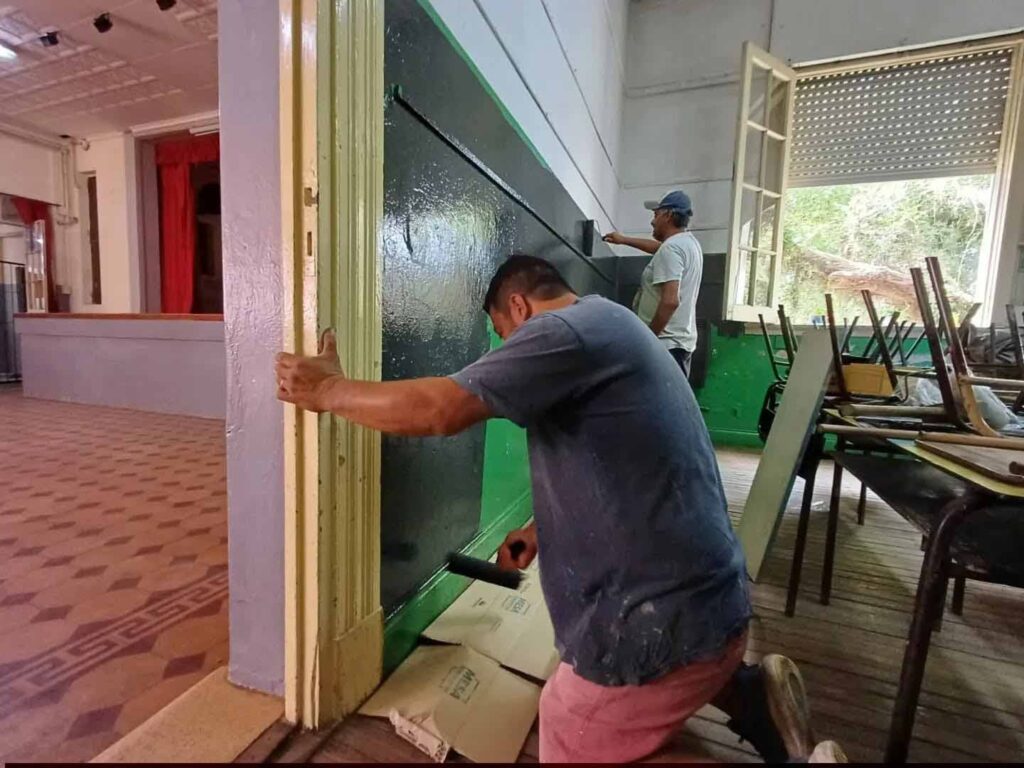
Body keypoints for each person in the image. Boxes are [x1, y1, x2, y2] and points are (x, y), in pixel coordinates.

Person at [275, 255, 844, 764]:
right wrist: (538, 530)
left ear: (519, 307)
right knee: (657, 684)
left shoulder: (559, 333)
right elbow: (619, 461)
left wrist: (328, 391)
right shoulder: (612, 322)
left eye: (502, 335)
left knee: (574, 736)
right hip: (715, 604)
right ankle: (752, 698)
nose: (504, 352)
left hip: (665, 621)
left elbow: (439, 410)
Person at [603, 190, 702, 377]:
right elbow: (660, 249)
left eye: (656, 215)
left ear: (668, 215)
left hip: (665, 345)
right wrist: (623, 240)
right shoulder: (688, 244)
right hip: (679, 344)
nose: (652, 221)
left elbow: (670, 301)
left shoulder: (672, 249)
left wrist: (649, 340)